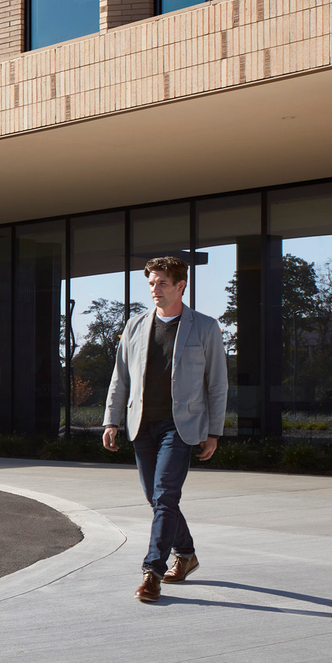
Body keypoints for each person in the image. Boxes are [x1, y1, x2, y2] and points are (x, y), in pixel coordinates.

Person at [102, 254, 228, 604]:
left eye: (161, 283)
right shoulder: (135, 326)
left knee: (166, 496)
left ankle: (152, 573)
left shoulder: (205, 327)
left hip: (180, 426)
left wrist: (214, 432)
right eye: (151, 283)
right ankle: (186, 554)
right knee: (157, 499)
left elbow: (217, 384)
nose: (154, 289)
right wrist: (111, 420)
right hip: (141, 424)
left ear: (180, 286)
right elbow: (120, 377)